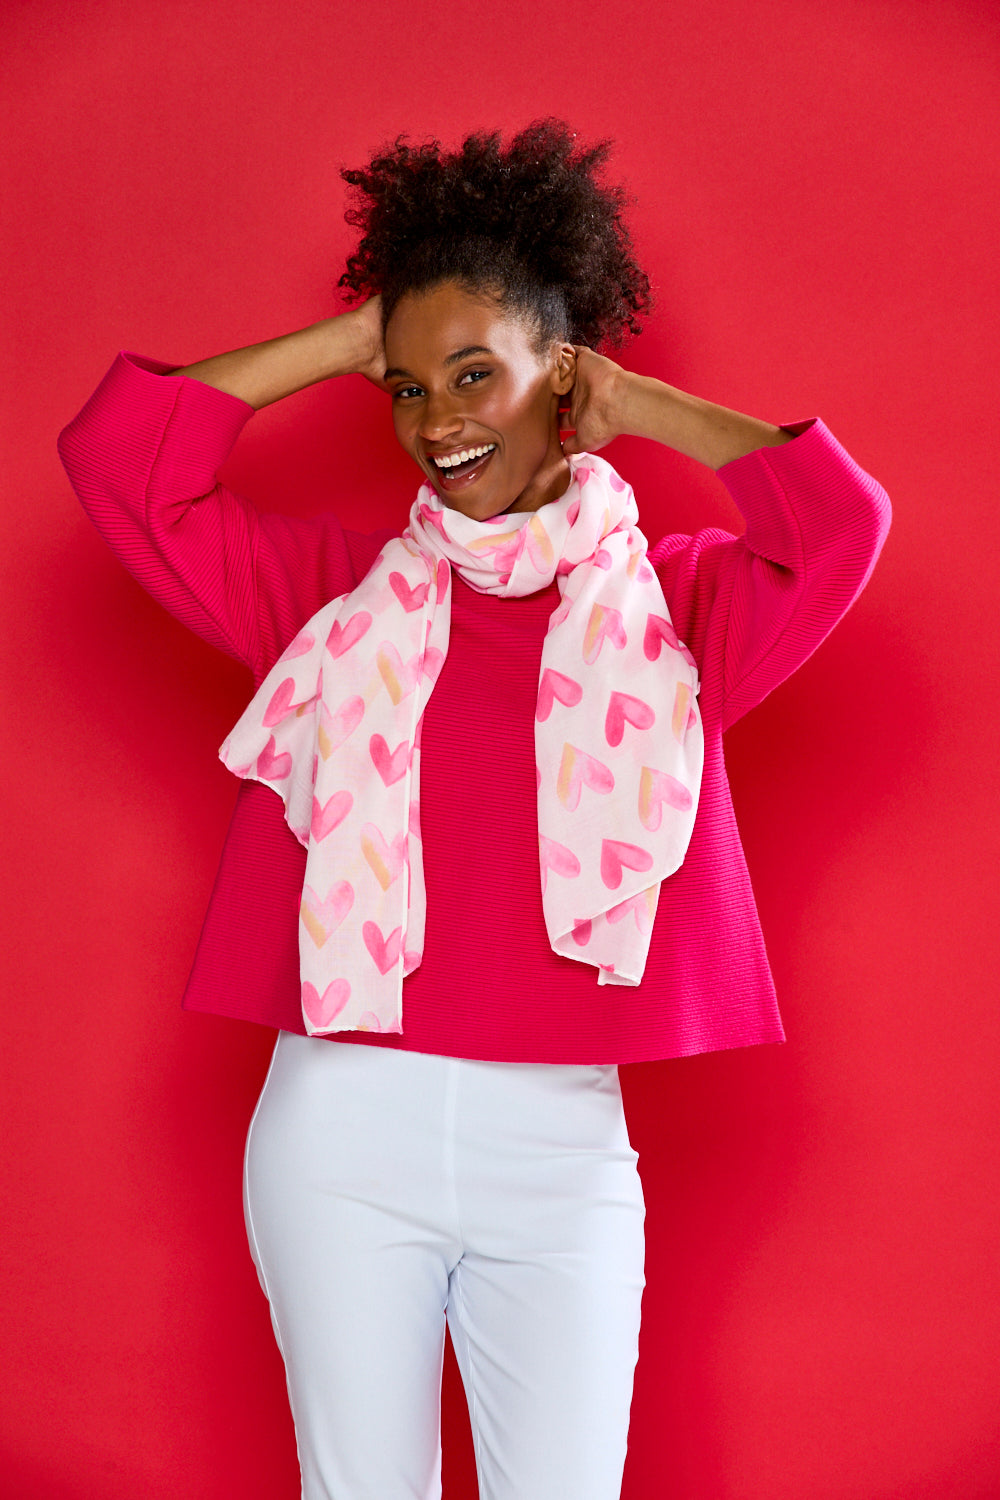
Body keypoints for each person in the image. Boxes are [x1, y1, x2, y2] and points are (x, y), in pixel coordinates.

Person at [58, 120, 891, 1500]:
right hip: (341, 1130)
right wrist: (343, 345)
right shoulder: (333, 603)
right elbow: (124, 465)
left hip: (560, 1146)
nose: (439, 423)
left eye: (474, 377)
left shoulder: (676, 615)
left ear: (557, 381)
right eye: (405, 388)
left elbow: (839, 527)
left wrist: (648, 410)